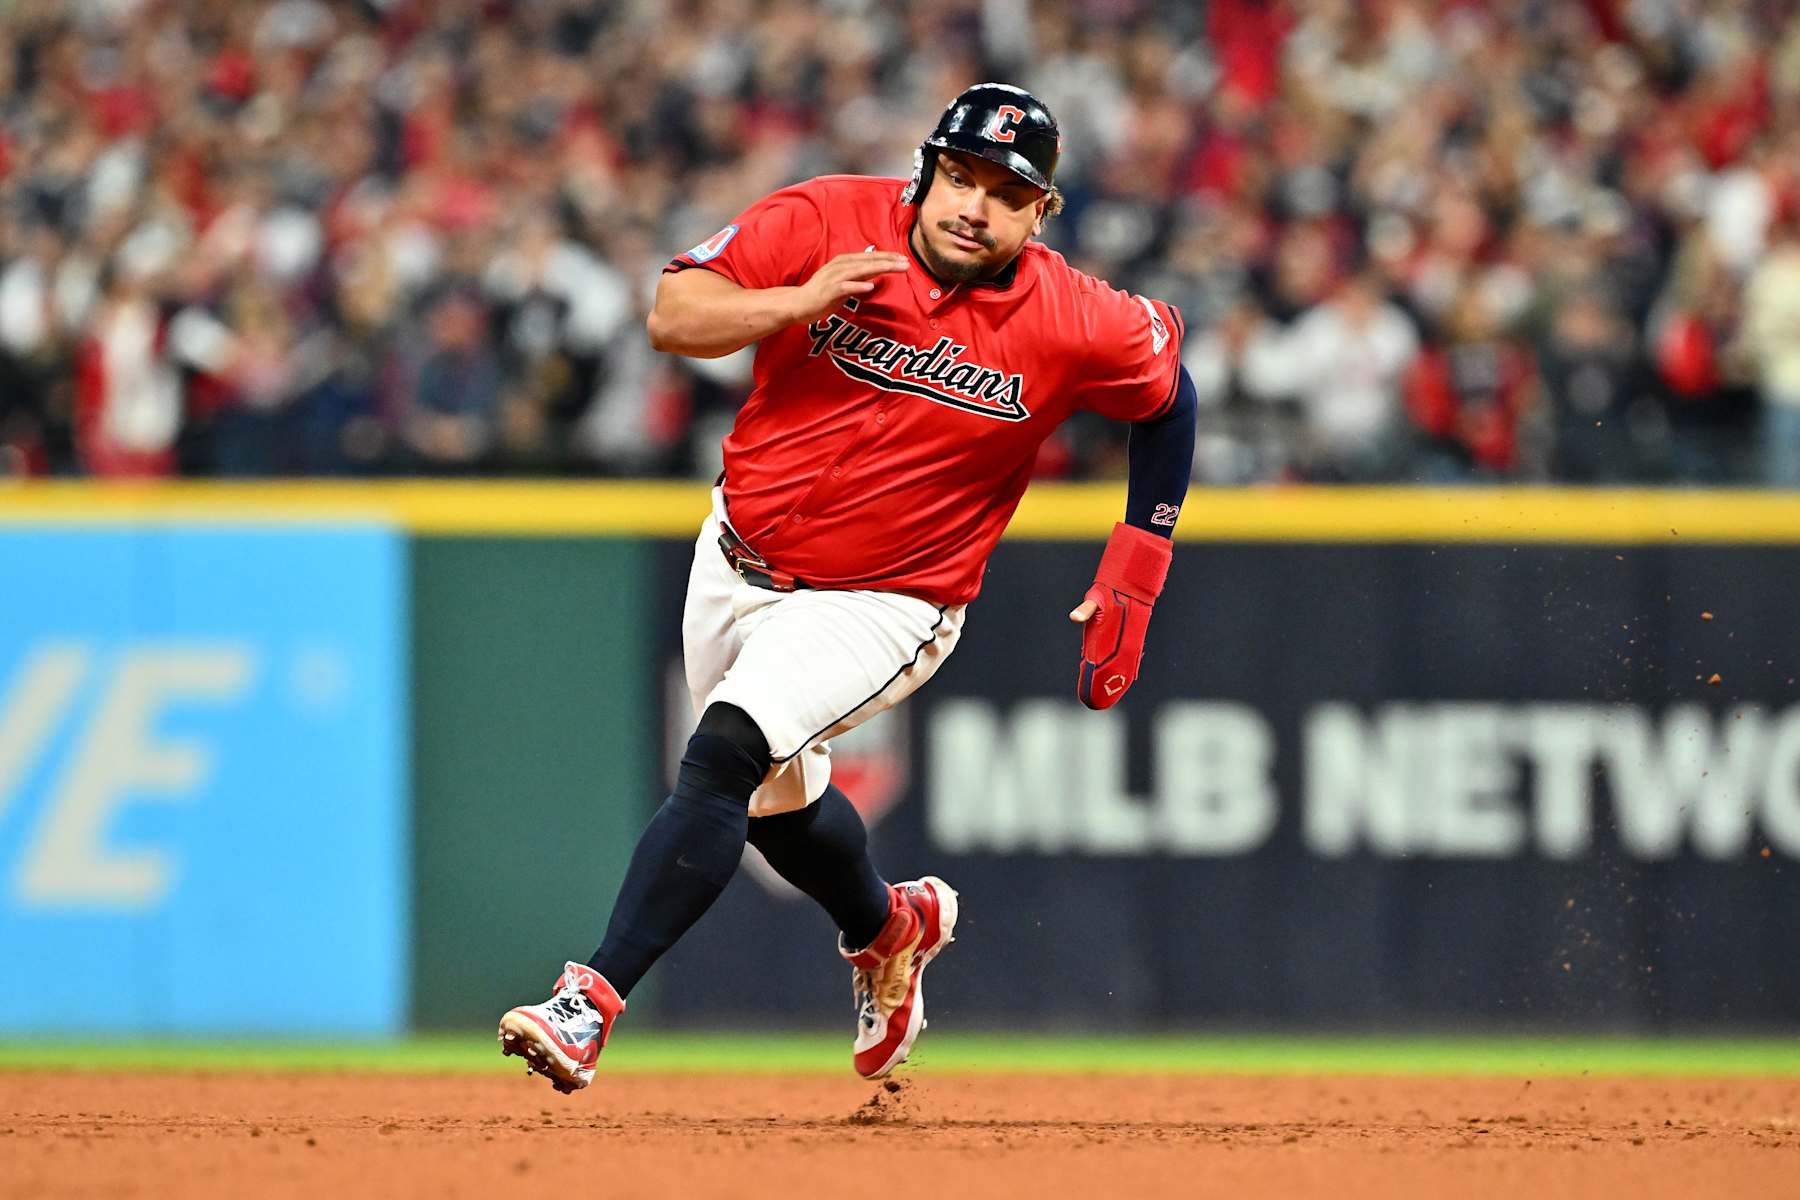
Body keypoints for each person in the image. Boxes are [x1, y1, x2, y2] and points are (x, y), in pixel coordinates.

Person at [497, 83, 1198, 1091]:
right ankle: (888, 927)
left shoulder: (1075, 315)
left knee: (725, 755)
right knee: (776, 811)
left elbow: (1170, 398)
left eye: (1008, 194)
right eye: (961, 177)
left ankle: (588, 1002)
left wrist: (1139, 562)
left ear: (1041, 213)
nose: (976, 207)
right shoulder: (826, 217)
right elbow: (673, 314)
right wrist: (795, 301)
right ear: (927, 169)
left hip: (889, 598)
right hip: (734, 551)